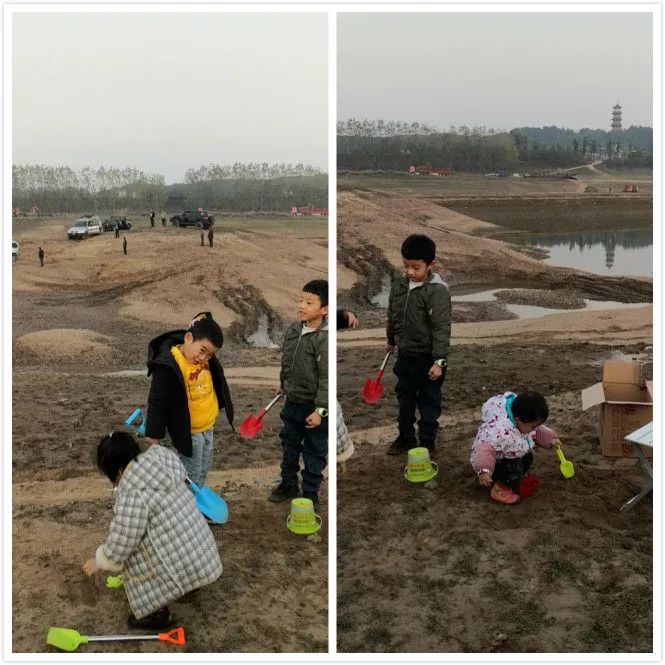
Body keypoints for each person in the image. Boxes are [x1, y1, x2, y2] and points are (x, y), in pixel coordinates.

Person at [82, 431, 222, 629]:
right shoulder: (160, 465)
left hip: (181, 562)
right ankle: (192, 581)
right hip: (201, 556)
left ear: (119, 471)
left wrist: (102, 559)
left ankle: (157, 614)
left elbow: (124, 537)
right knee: (165, 531)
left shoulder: (133, 491)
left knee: (137, 553)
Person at [144, 312, 234, 488]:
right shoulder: (169, 366)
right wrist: (154, 435)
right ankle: (186, 503)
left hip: (208, 426)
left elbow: (205, 317)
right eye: (202, 351)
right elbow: (157, 401)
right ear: (188, 338)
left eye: (209, 355)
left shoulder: (205, 358)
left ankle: (197, 498)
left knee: (204, 468)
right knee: (190, 473)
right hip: (188, 431)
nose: (203, 358)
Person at [386, 234, 451, 455]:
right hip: (405, 355)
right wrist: (391, 340)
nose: (410, 272)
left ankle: (427, 442)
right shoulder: (399, 286)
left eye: (416, 267)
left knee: (429, 403)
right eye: (406, 266)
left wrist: (439, 361)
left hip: (428, 359)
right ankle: (405, 437)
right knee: (404, 399)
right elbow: (392, 314)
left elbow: (441, 329)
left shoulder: (437, 291)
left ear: (431, 264)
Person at [269, 280, 328, 510]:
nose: (301, 306)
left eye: (309, 302)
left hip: (314, 406)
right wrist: (284, 383)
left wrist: (320, 412)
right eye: (301, 300)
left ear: (324, 309)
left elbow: (326, 379)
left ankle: (311, 491)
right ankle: (288, 483)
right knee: (290, 443)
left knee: (315, 449)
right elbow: (288, 361)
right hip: (293, 400)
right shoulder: (294, 330)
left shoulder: (324, 339)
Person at [470, 390, 558, 505]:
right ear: (517, 420)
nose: (535, 428)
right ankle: (500, 489)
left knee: (528, 457)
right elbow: (485, 449)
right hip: (493, 462)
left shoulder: (524, 420)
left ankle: (511, 478)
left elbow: (538, 430)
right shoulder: (500, 431)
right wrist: (484, 470)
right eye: (533, 426)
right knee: (514, 468)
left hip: (508, 454)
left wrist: (550, 440)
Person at [337, 309, 358, 475]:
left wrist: (345, 315)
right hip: (302, 388)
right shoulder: (298, 330)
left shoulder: (325, 323)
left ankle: (339, 461)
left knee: (334, 424)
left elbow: (336, 319)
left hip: (323, 385)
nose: (302, 306)